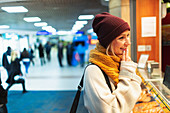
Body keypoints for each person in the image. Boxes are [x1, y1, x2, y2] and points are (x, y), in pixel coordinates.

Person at [83, 12, 142, 113]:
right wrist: (127, 72)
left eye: (128, 36)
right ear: (108, 41)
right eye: (121, 38)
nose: (128, 42)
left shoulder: (120, 63)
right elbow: (111, 110)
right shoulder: (94, 70)